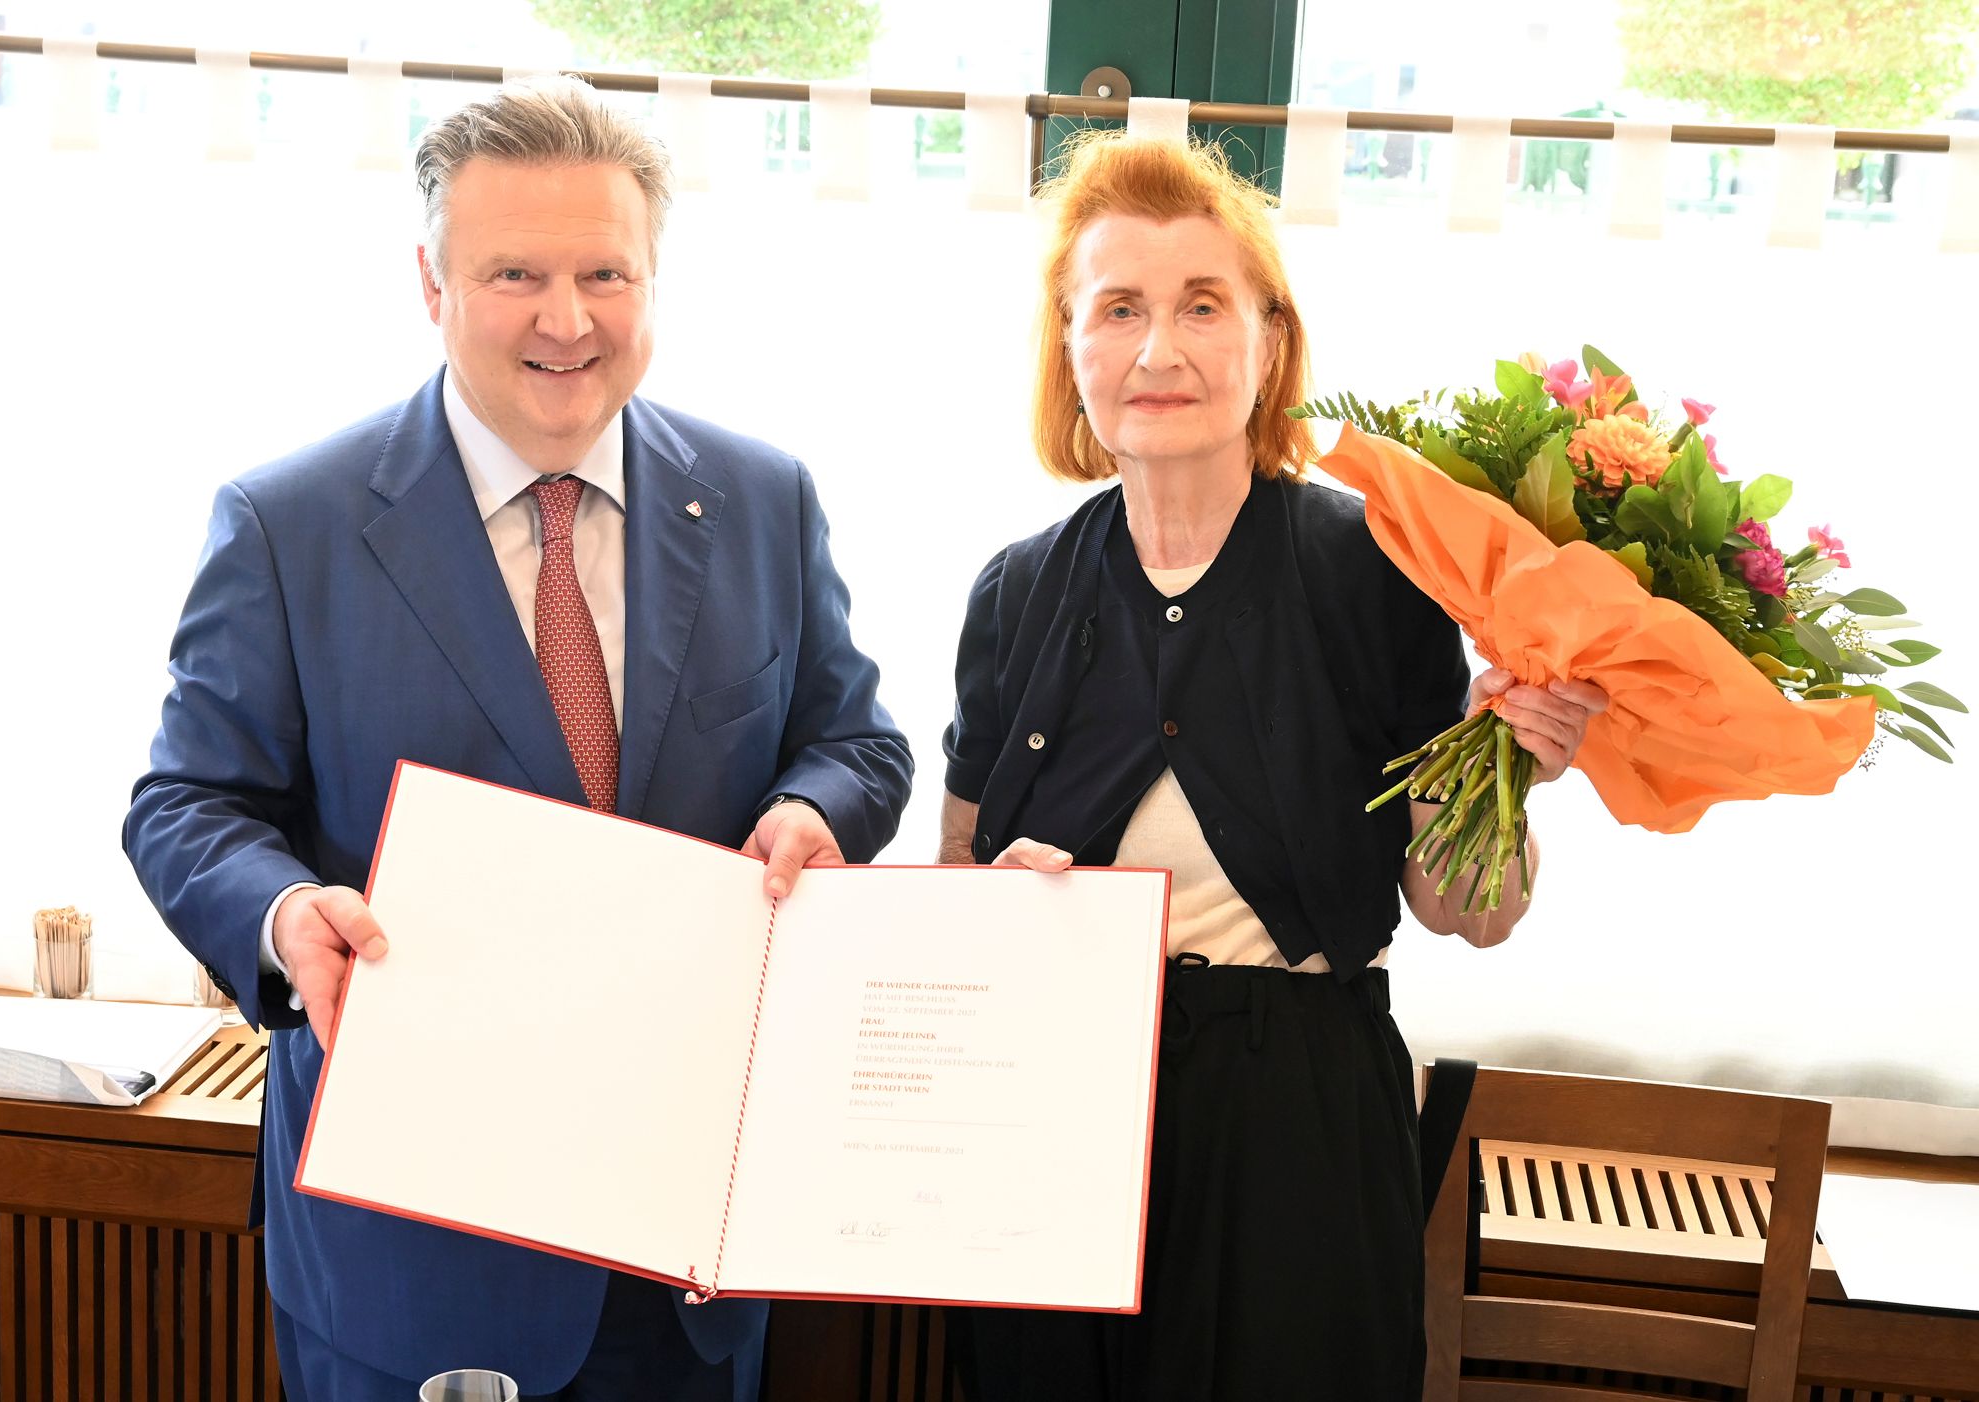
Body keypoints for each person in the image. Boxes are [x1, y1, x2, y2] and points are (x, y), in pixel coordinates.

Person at [123, 77, 913, 1402]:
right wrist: (285, 910)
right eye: (514, 273)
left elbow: (858, 742)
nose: (567, 318)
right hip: (415, 1260)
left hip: (688, 1261)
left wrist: (820, 809)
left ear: (654, 283)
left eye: (607, 271)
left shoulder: (767, 501)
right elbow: (187, 800)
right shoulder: (288, 522)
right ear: (430, 285)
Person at [938, 131, 1606, 1400]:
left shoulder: (1380, 567)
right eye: (1117, 308)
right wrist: (1000, 913)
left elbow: (1472, 914)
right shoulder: (1015, 591)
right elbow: (953, 870)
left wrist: (1504, 773)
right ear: (1068, 346)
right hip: (1045, 1101)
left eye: (1202, 305)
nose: (1158, 350)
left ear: (1268, 343)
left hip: (1296, 1115)